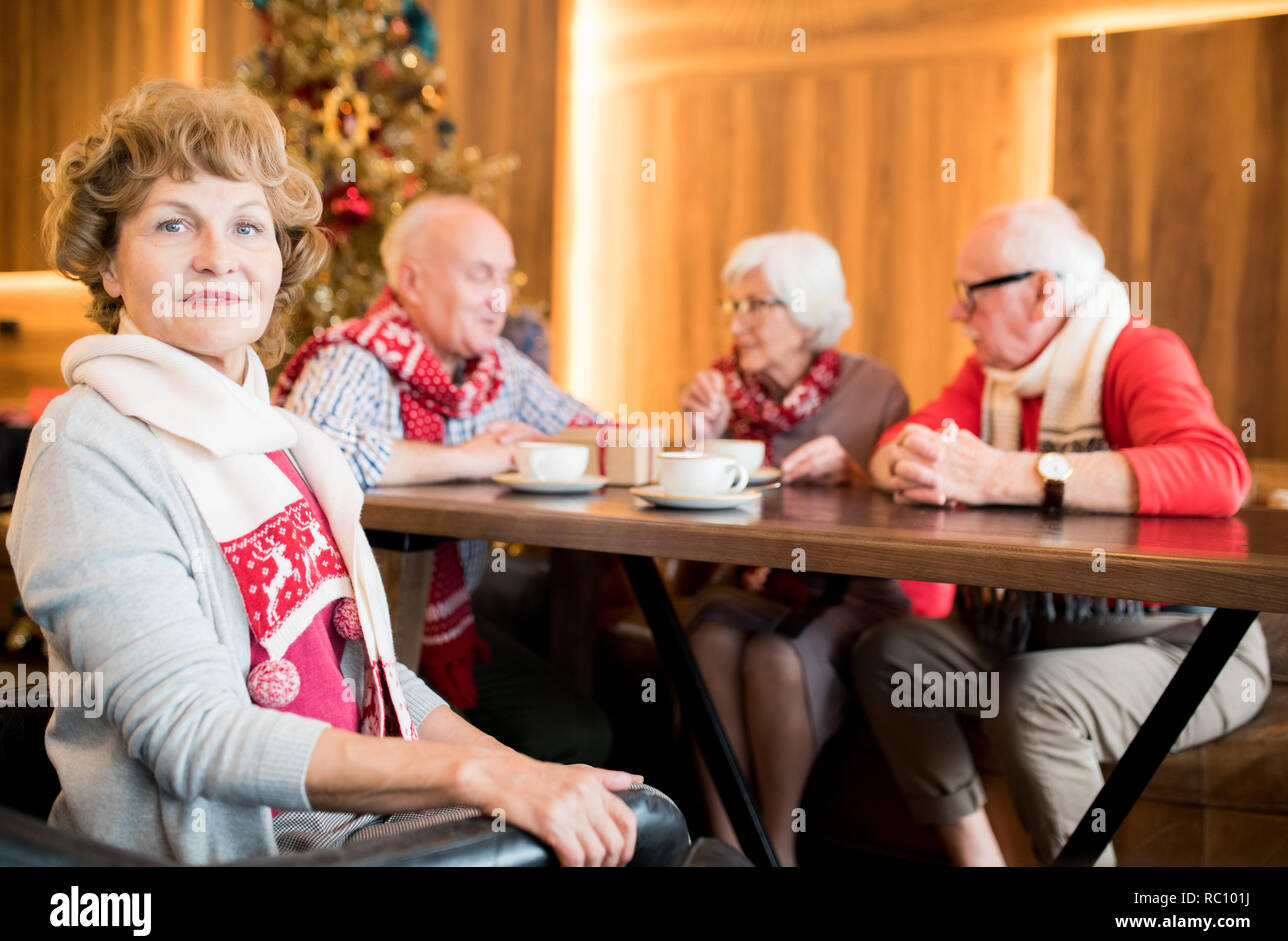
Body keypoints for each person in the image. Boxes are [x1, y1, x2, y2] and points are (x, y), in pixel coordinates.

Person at [6, 80, 642, 867]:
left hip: (352, 836)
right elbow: (194, 738)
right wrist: (480, 776)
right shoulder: (89, 447)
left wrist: (521, 771)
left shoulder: (281, 438)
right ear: (107, 266)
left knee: (645, 827)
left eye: (248, 226)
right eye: (174, 223)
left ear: (277, 261)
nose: (217, 256)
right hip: (214, 863)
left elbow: (368, 681)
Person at [854, 196, 1270, 866]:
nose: (956, 312)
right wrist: (906, 462)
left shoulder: (1140, 353)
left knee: (1033, 693)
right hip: (1032, 631)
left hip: (1179, 645)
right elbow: (900, 441)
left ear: (1045, 292)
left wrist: (1005, 476)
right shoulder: (992, 378)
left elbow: (1219, 472)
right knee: (893, 653)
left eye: (972, 293)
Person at [272, 194, 612, 767]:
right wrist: (471, 458)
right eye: (481, 275)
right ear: (413, 279)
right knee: (557, 740)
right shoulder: (357, 354)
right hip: (344, 640)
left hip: (451, 632)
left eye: (506, 277)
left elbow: (597, 432)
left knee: (578, 734)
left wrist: (689, 429)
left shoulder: (496, 367)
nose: (499, 299)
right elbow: (310, 452)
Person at [679, 230, 954, 866]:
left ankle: (777, 848)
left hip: (858, 593)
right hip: (759, 587)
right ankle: (727, 848)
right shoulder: (719, 393)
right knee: (708, 637)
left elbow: (911, 517)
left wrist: (861, 476)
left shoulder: (873, 389)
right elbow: (688, 548)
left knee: (776, 658)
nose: (738, 323)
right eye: (733, 306)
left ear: (807, 315)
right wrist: (698, 445)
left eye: (756, 305)